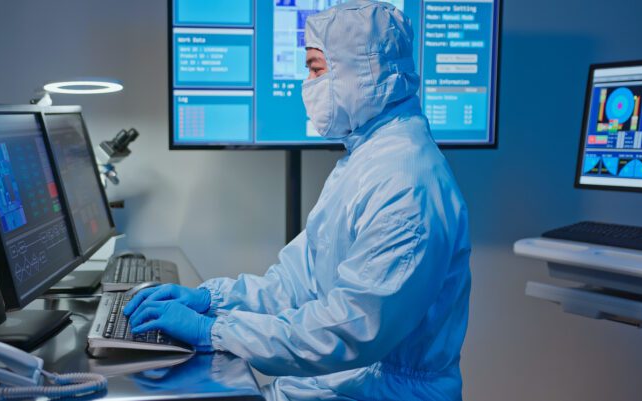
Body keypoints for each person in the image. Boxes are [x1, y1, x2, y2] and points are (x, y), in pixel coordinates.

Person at [123, 1, 471, 399]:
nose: (307, 83)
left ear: (365, 73)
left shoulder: (405, 184)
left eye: (316, 69)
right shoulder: (366, 162)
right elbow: (296, 285)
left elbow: (350, 331)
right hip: (337, 384)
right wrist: (212, 301)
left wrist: (214, 332)